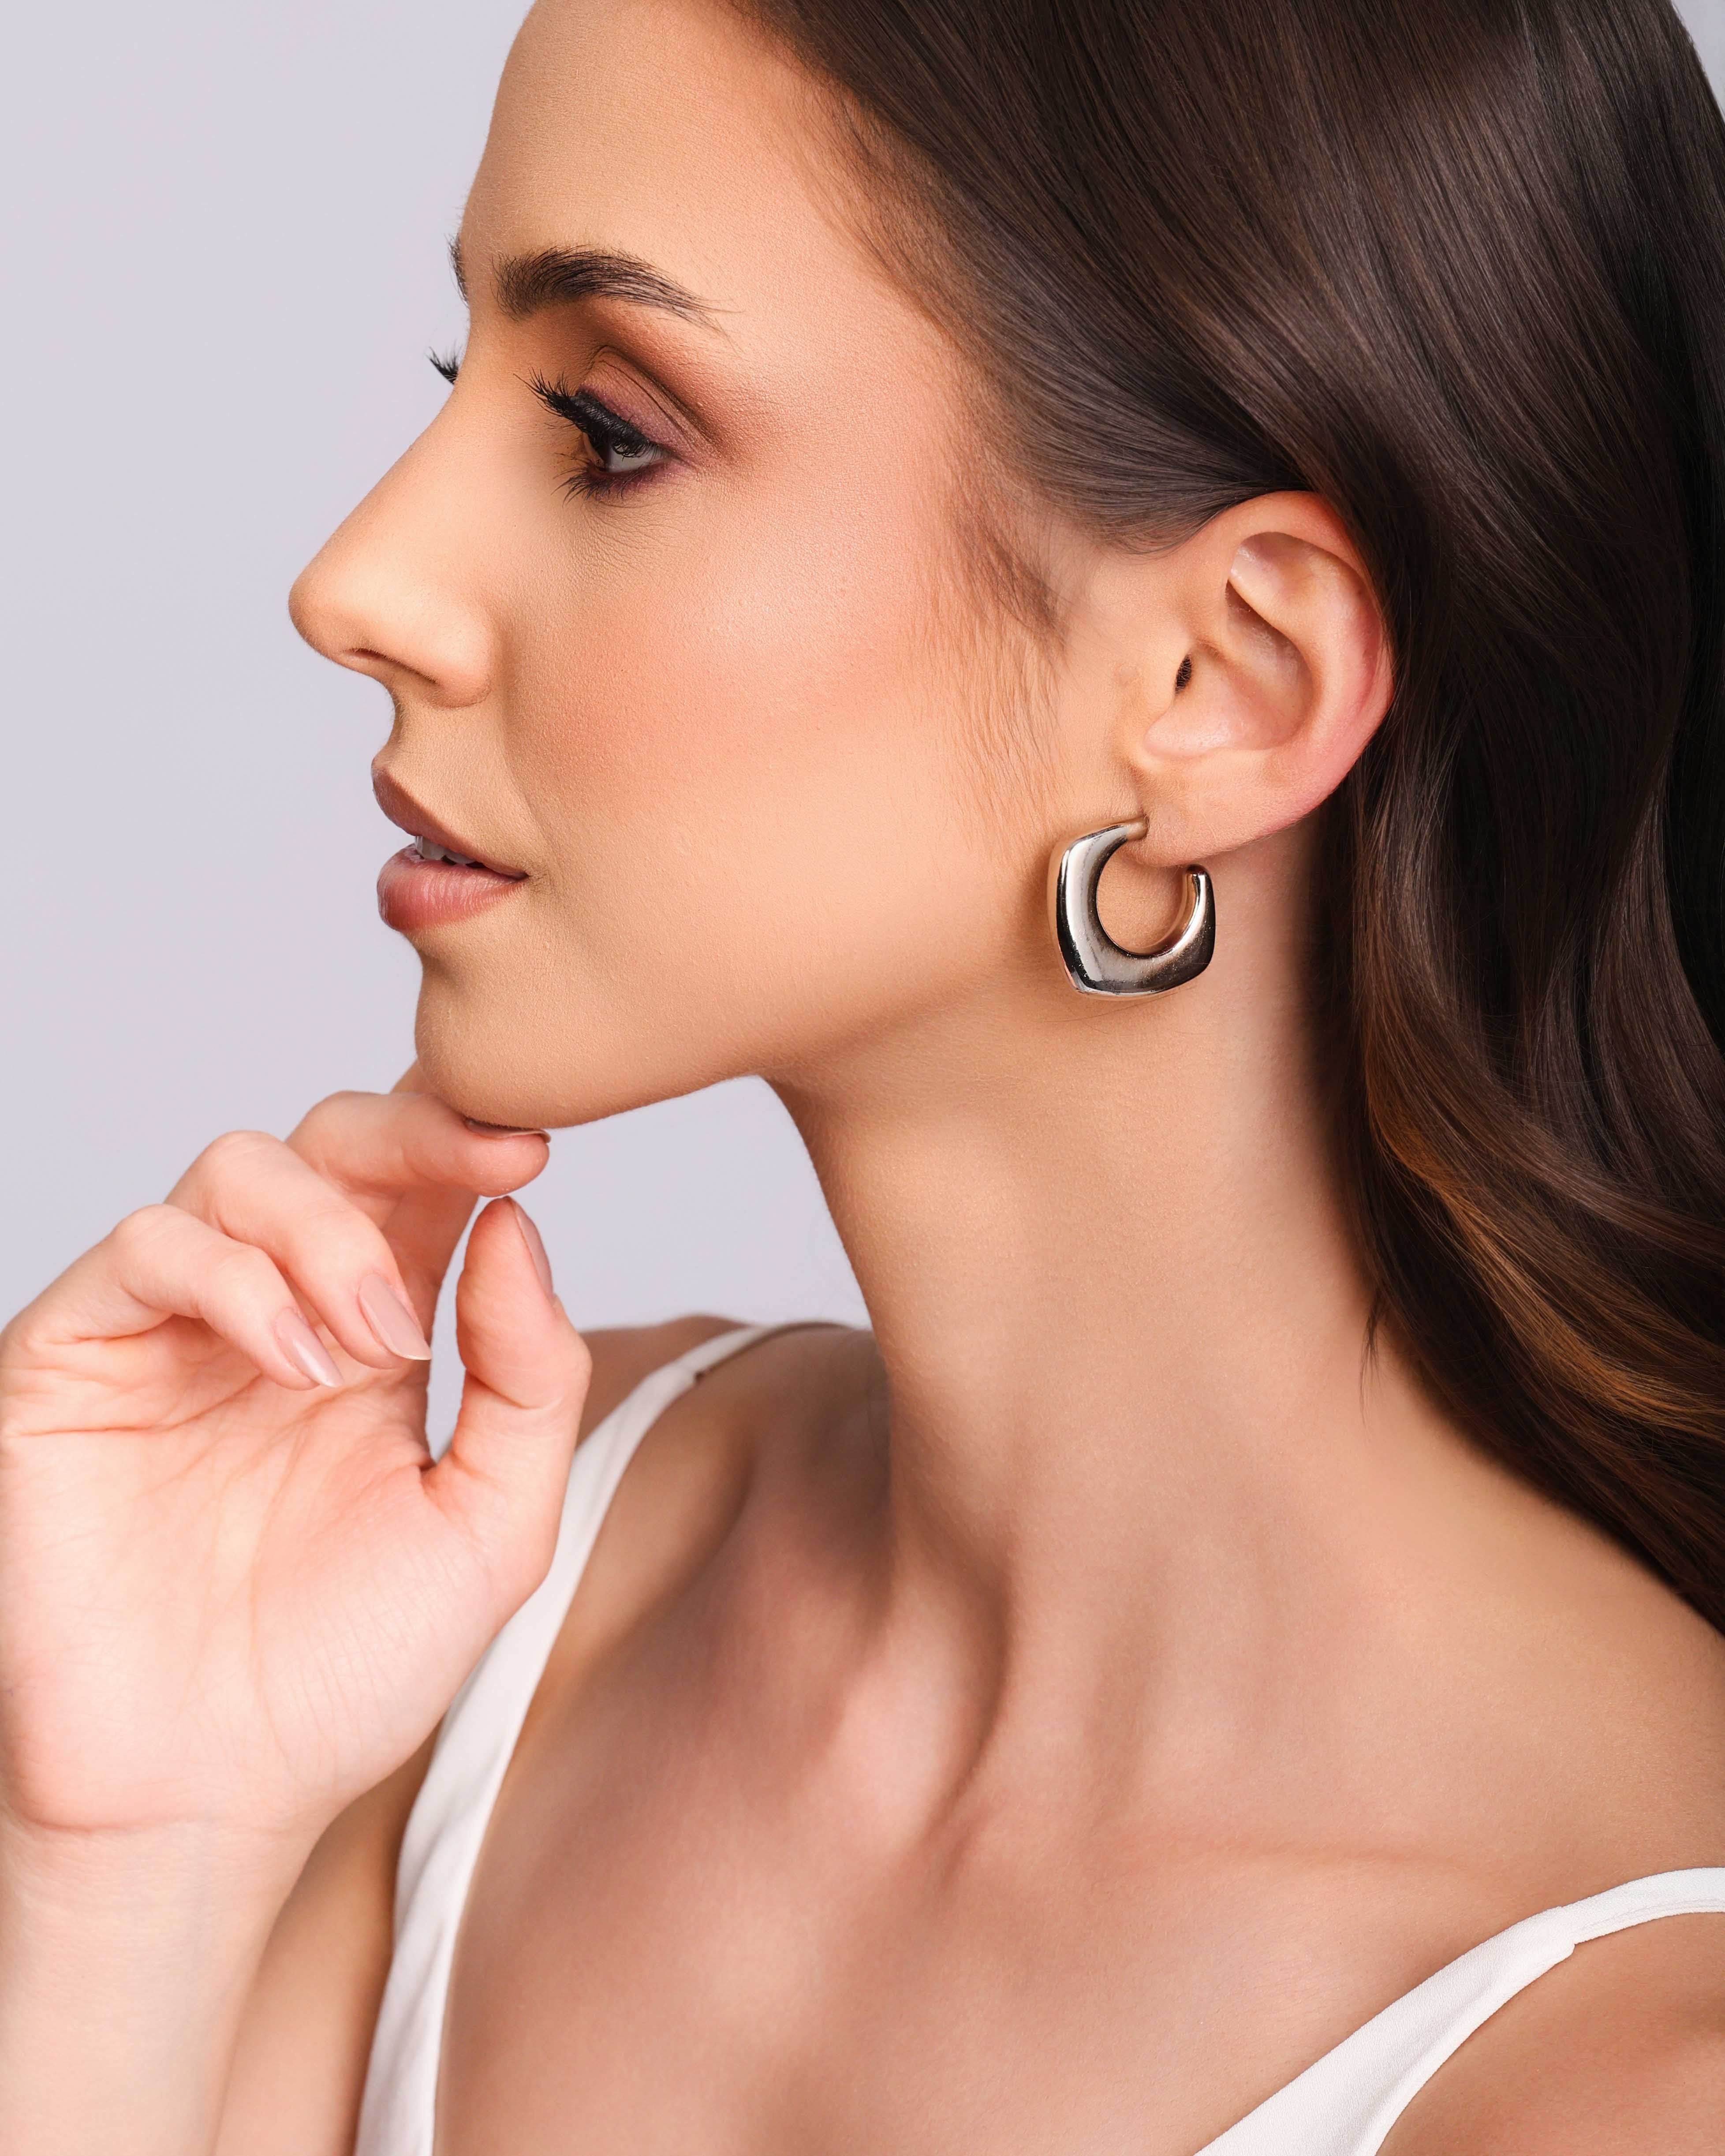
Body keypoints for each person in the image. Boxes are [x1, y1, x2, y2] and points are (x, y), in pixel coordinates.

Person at [4, 0, 1725, 2148]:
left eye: (609, 431)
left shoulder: (1635, 2072)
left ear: (1223, 679)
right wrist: (122, 1869)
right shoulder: (471, 1609)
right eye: (462, 376)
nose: (357, 584)